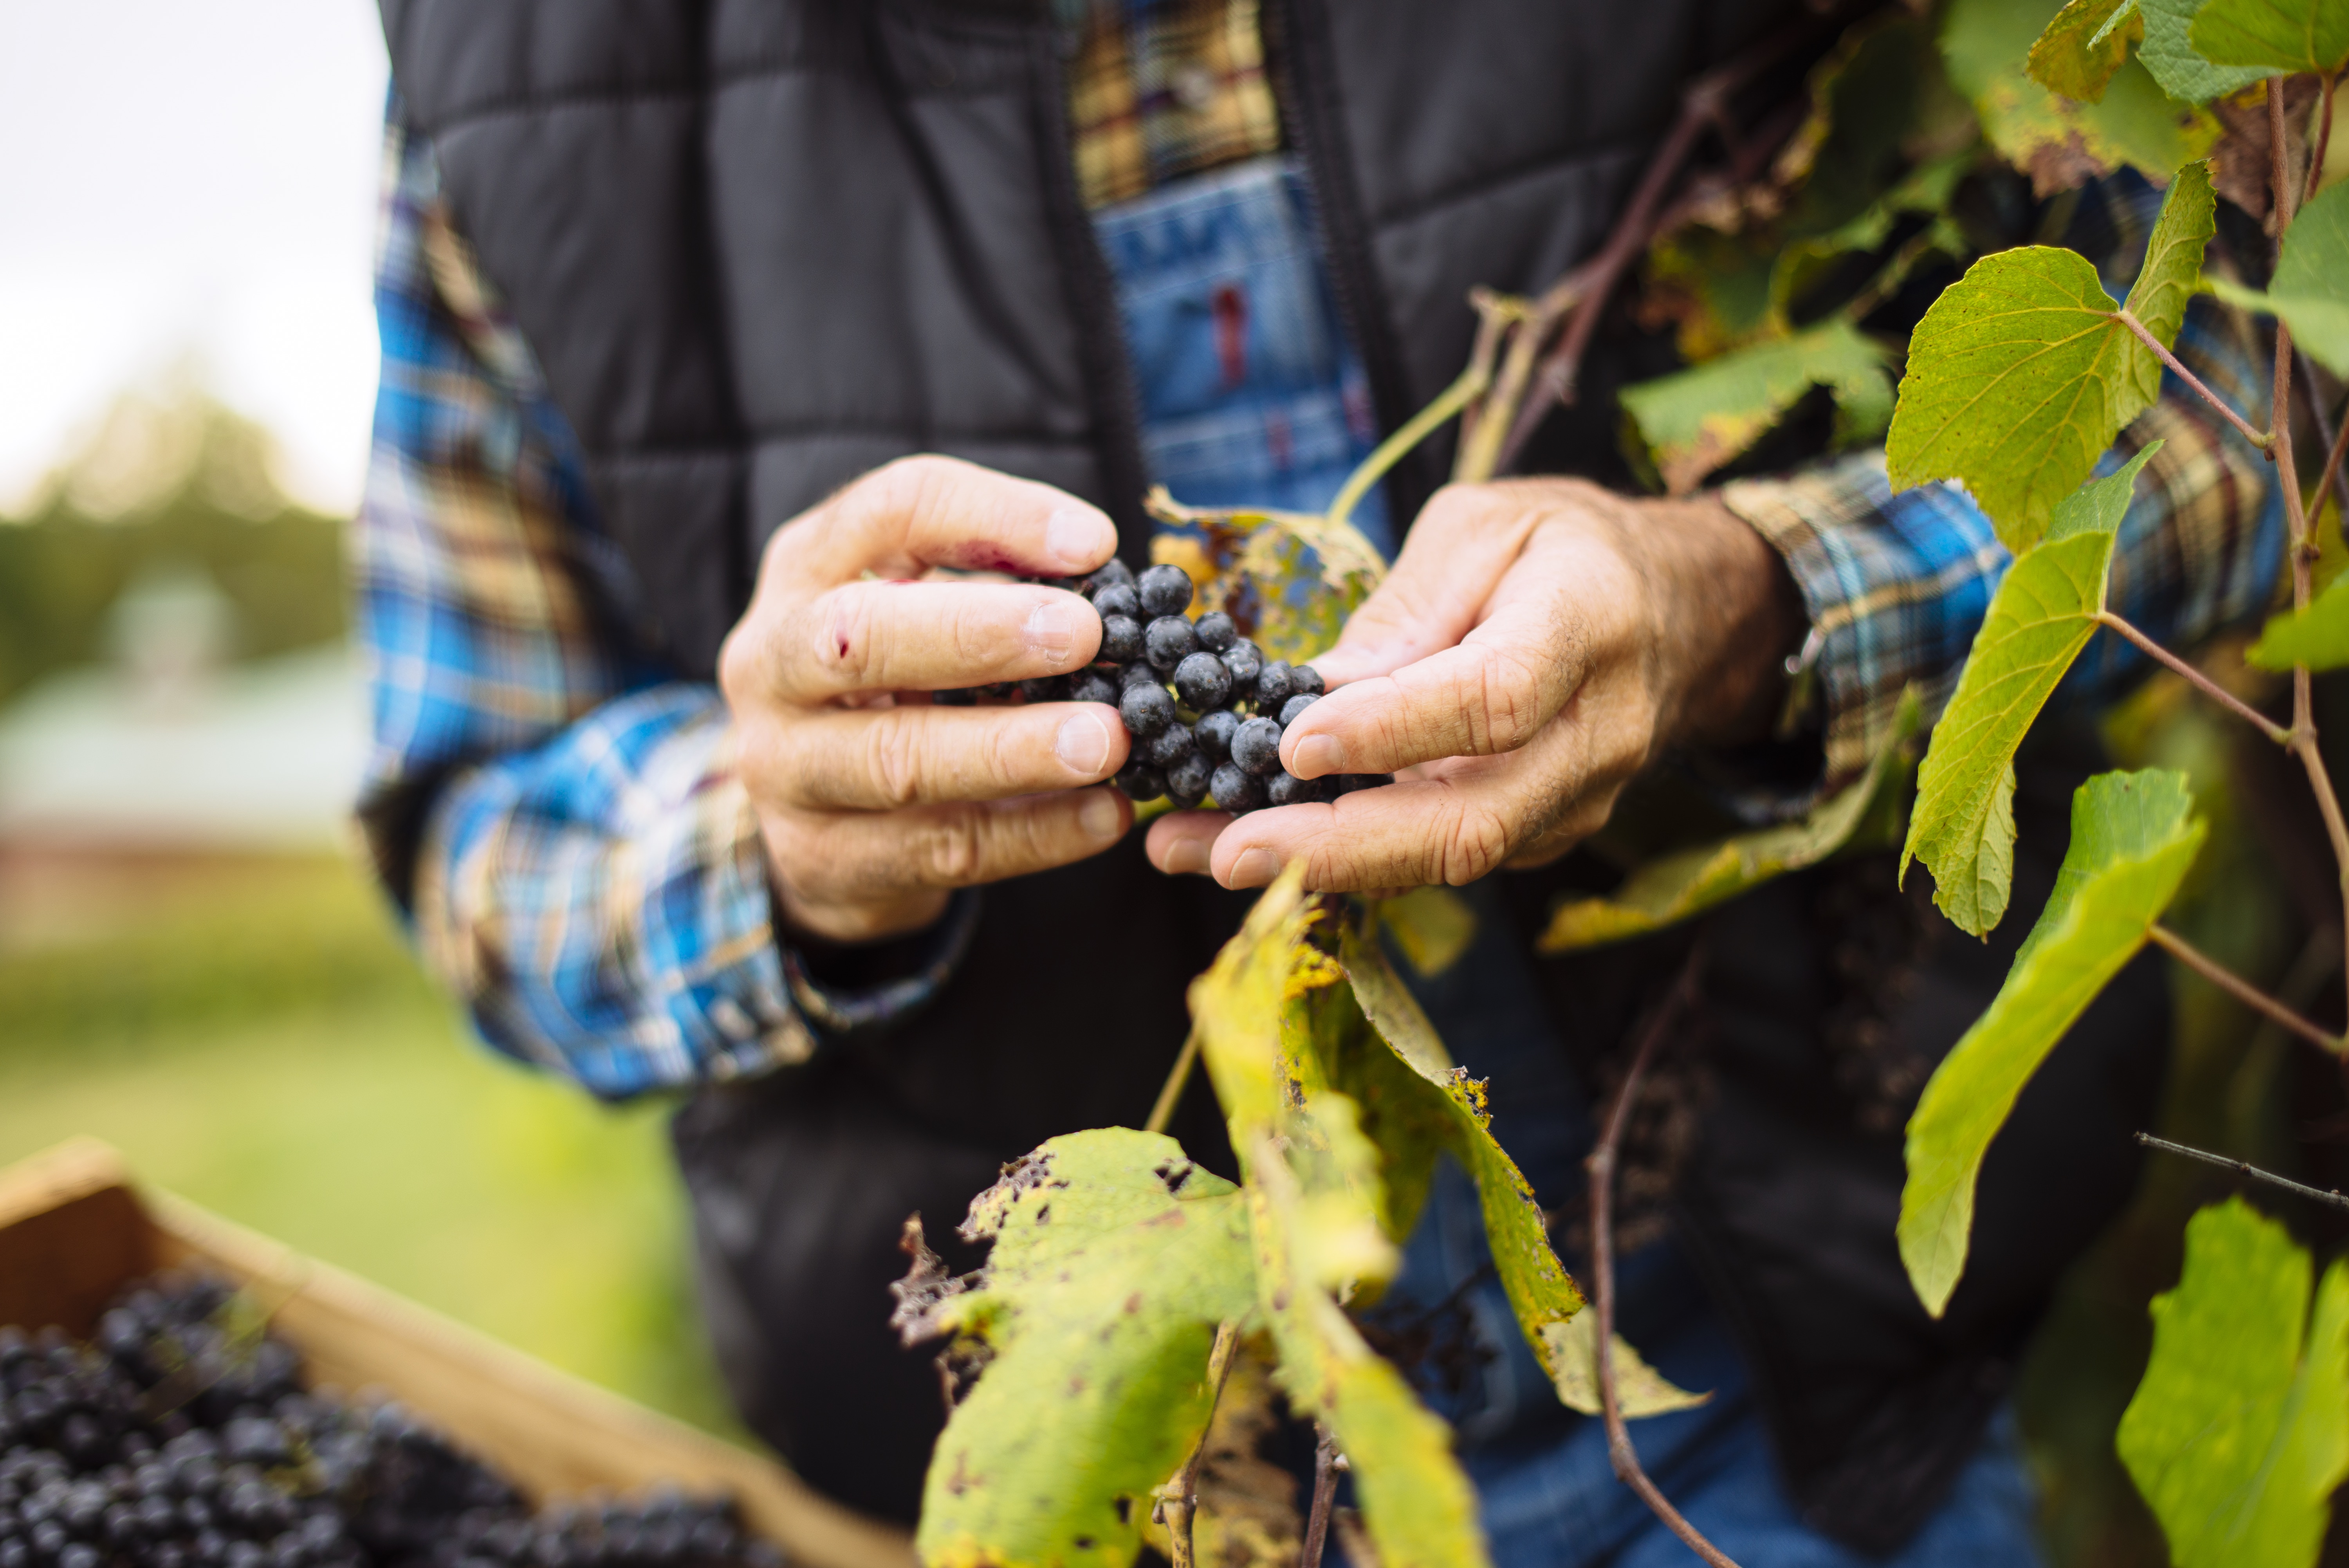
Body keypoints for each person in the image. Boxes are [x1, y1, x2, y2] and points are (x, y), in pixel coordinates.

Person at [357, 1, 2282, 1561]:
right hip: (1121, 1500)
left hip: (1792, 1435)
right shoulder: (503, 62)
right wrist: (761, 841)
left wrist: (1761, 591)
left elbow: (2273, 388)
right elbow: (477, 825)